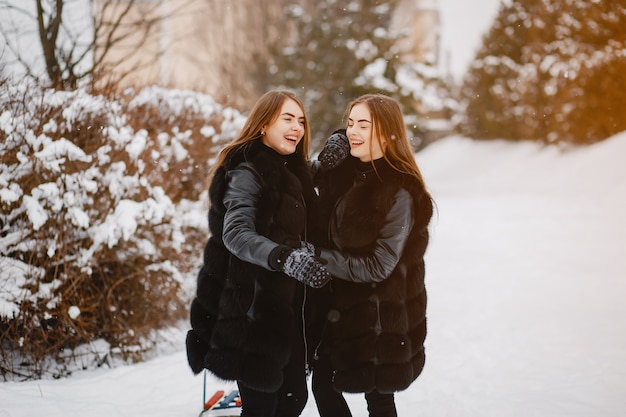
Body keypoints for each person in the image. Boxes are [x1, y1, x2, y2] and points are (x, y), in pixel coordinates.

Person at [185, 89, 331, 417]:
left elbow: (292, 196)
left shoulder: (290, 168)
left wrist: (328, 158)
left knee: (293, 400)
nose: (297, 127)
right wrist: (286, 257)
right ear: (264, 124)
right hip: (251, 307)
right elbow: (236, 233)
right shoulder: (246, 171)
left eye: (301, 121)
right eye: (287, 119)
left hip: (284, 305)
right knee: (263, 406)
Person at [311, 93, 434, 417]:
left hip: (380, 317)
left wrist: (316, 256)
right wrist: (325, 159)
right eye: (350, 124)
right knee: (323, 385)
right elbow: (303, 187)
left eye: (363, 125)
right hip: (342, 307)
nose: (352, 131)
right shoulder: (346, 170)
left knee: (377, 398)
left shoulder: (400, 190)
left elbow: (380, 265)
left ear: (387, 132)